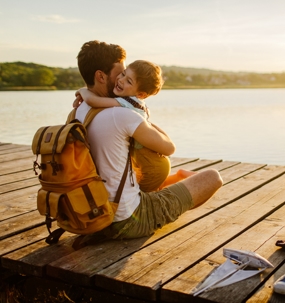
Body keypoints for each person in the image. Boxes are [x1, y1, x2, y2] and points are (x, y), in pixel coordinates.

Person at [73, 40, 223, 240]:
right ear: (101, 76)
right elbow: (169, 147)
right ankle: (170, 198)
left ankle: (174, 186)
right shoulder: (122, 115)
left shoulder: (78, 111)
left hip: (92, 215)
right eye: (120, 73)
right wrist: (143, 117)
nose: (121, 78)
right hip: (125, 219)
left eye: (126, 77)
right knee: (213, 177)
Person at [76, 59, 195, 192]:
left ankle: (181, 177)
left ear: (141, 94)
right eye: (123, 74)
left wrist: (83, 90)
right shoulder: (136, 103)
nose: (121, 80)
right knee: (154, 188)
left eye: (129, 81)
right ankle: (180, 176)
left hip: (148, 163)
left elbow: (93, 101)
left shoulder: (126, 103)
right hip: (148, 160)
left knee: (145, 189)